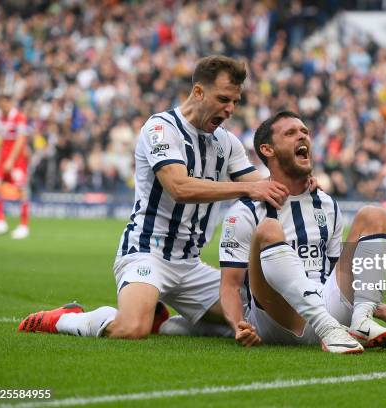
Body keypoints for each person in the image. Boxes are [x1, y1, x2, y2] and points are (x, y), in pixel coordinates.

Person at [18, 55, 292, 339]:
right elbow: (180, 188)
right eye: (223, 99)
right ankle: (67, 318)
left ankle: (164, 323)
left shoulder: (226, 142)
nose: (230, 109)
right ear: (198, 92)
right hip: (147, 253)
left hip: (190, 264)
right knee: (131, 328)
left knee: (255, 318)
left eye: (235, 101)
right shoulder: (160, 128)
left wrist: (297, 181)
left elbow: (261, 186)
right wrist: (248, 189)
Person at [218, 111, 386, 353]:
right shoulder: (244, 211)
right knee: (269, 228)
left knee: (375, 215)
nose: (302, 137)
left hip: (327, 303)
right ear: (268, 150)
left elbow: (335, 274)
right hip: (278, 318)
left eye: (305, 132)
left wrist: (376, 306)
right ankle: (328, 328)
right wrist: (238, 325)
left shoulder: (327, 204)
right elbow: (230, 286)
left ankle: (362, 320)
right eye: (290, 133)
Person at [0, 92, 31, 239]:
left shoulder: (20, 117)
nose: (1, 105)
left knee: (21, 191)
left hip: (16, 161)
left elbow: (21, 140)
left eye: (3, 102)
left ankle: (24, 226)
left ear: (9, 102)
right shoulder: (1, 118)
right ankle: (0, 222)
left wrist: (11, 159)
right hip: (2, 160)